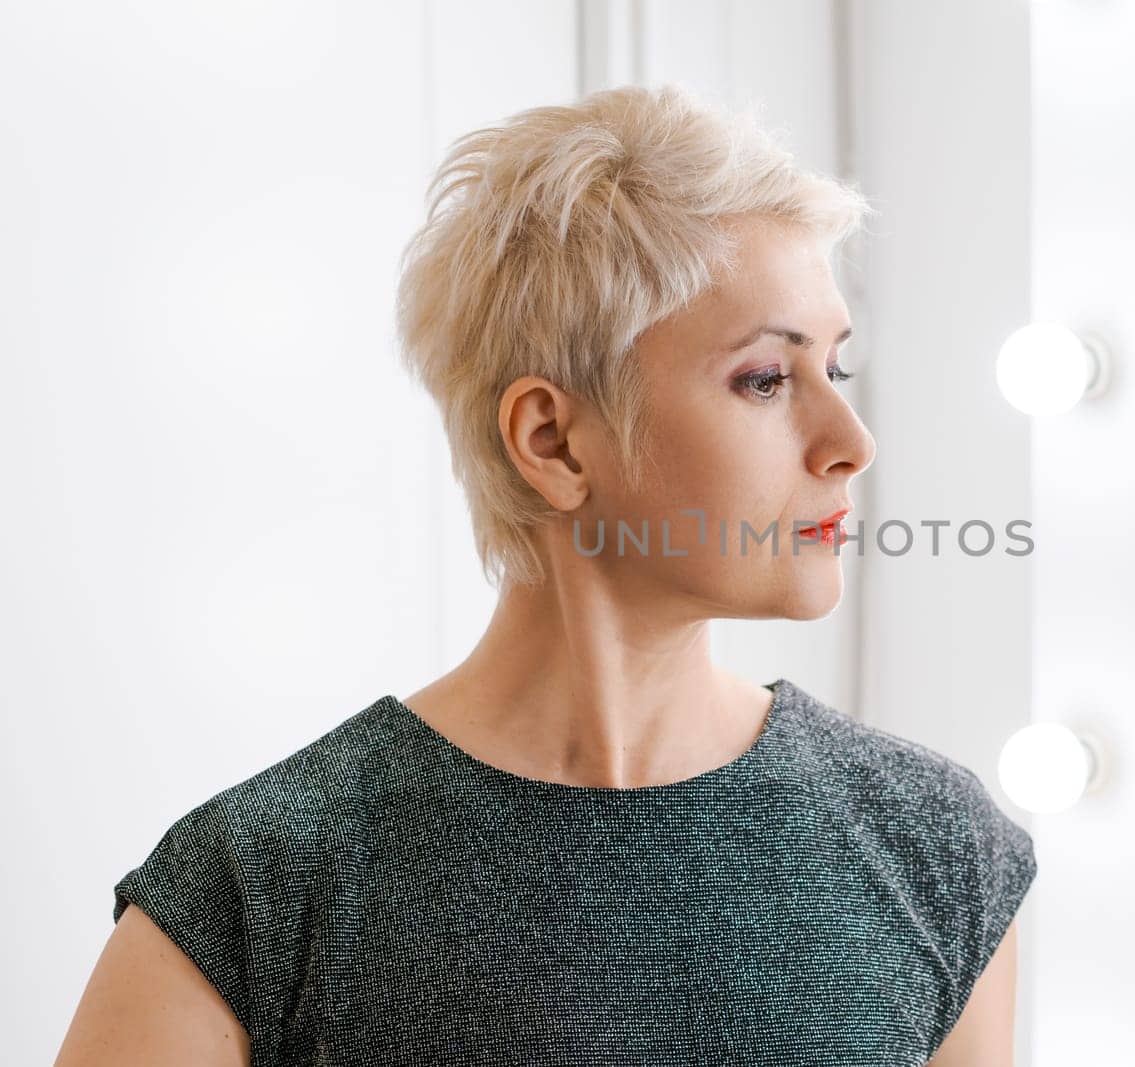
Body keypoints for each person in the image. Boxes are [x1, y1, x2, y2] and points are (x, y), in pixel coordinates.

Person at [55, 83, 1037, 1067]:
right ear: (553, 439)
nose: (849, 442)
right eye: (766, 379)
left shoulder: (935, 849)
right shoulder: (255, 894)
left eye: (839, 369)